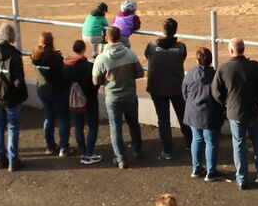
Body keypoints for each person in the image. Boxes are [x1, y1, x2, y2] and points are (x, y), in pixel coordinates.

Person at [213, 37, 258, 189]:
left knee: (239, 144)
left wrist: (226, 104)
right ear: (243, 49)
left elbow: (216, 92)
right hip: (254, 111)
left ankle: (242, 179)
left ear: (231, 51)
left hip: (235, 113)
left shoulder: (223, 68)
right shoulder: (255, 66)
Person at [94, 25, 145, 168]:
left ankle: (121, 158)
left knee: (115, 128)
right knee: (133, 124)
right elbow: (140, 73)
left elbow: (95, 81)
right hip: (129, 95)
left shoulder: (101, 58)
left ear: (106, 39)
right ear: (120, 38)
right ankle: (137, 151)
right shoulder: (130, 54)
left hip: (113, 98)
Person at [0, 23, 28, 171]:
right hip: (11, 98)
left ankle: (0, 158)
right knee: (12, 127)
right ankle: (13, 160)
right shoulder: (14, 55)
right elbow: (18, 80)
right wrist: (23, 95)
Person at [143, 19, 189, 160]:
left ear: (162, 30)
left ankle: (168, 151)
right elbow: (182, 56)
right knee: (183, 116)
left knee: (163, 120)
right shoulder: (181, 47)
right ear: (175, 30)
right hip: (176, 87)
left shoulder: (152, 46)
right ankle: (190, 143)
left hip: (157, 88)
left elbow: (147, 55)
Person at [182, 48, 225, 181]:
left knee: (197, 139)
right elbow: (222, 94)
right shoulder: (217, 75)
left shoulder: (190, 74)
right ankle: (211, 171)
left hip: (194, 113)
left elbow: (184, 93)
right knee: (211, 142)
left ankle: (197, 168)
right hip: (211, 114)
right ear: (210, 61)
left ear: (197, 60)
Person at [32, 31, 71, 157]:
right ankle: (64, 147)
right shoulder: (56, 58)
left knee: (49, 118)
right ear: (51, 42)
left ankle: (50, 146)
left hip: (43, 91)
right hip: (57, 91)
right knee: (64, 119)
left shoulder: (35, 56)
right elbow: (64, 75)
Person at [65, 38, 101, 164]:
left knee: (78, 127)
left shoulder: (66, 66)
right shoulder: (89, 66)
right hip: (90, 100)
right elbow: (95, 83)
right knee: (92, 126)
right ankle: (89, 154)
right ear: (84, 50)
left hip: (74, 101)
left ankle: (83, 153)